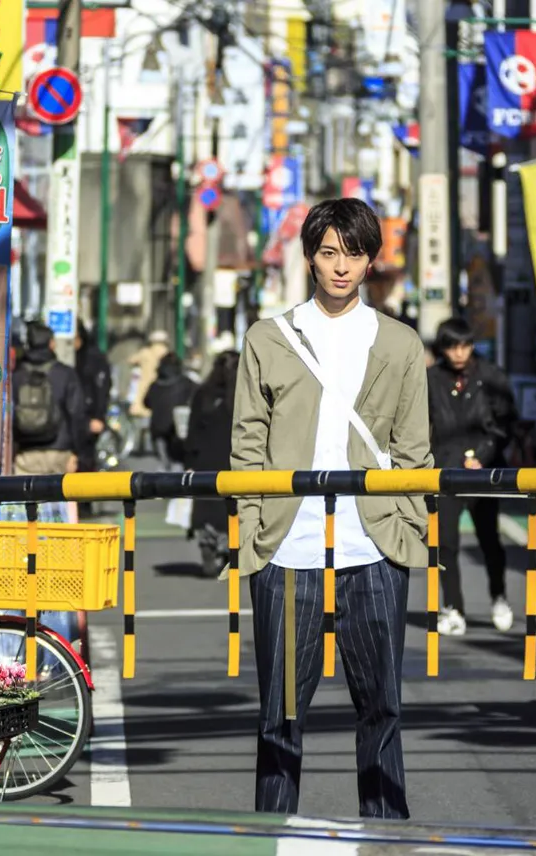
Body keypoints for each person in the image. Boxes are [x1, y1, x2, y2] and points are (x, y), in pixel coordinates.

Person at [232, 198, 431, 819]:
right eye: (327, 253)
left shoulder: (398, 343)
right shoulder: (269, 338)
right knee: (282, 713)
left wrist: (407, 529)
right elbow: (247, 441)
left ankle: (386, 834)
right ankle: (275, 832)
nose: (340, 266)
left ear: (372, 259)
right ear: (310, 258)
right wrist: (255, 525)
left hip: (372, 548)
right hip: (286, 549)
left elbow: (413, 448)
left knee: (381, 707)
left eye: (353, 253)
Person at [426, 318, 517, 636]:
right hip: (445, 472)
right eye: (452, 346)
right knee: (445, 543)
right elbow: (421, 426)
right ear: (443, 348)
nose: (459, 352)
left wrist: (484, 454)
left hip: (484, 473)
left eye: (464, 345)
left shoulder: (491, 377)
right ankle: (453, 607)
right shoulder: (431, 379)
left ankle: (499, 596)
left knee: (489, 540)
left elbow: (506, 423)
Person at [182, 350, 240, 577]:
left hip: (205, 462)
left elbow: (192, 431)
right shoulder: (245, 395)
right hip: (235, 460)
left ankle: (208, 544)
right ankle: (231, 548)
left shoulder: (203, 394)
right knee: (233, 507)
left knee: (207, 507)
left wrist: (189, 460)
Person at [11, 321, 86, 477]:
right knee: (62, 497)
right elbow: (77, 415)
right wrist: (79, 452)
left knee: (23, 497)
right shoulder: (65, 374)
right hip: (60, 451)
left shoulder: (16, 376)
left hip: (25, 453)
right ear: (51, 343)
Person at [74, 322, 113, 513]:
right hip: (72, 416)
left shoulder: (94, 358)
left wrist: (99, 416)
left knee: (86, 459)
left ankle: (84, 502)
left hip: (89, 416)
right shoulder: (68, 357)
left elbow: (102, 388)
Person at [143, 352, 197, 470]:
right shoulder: (187, 383)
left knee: (163, 463)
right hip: (178, 427)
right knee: (177, 463)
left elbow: (146, 402)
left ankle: (163, 484)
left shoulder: (155, 385)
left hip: (158, 427)